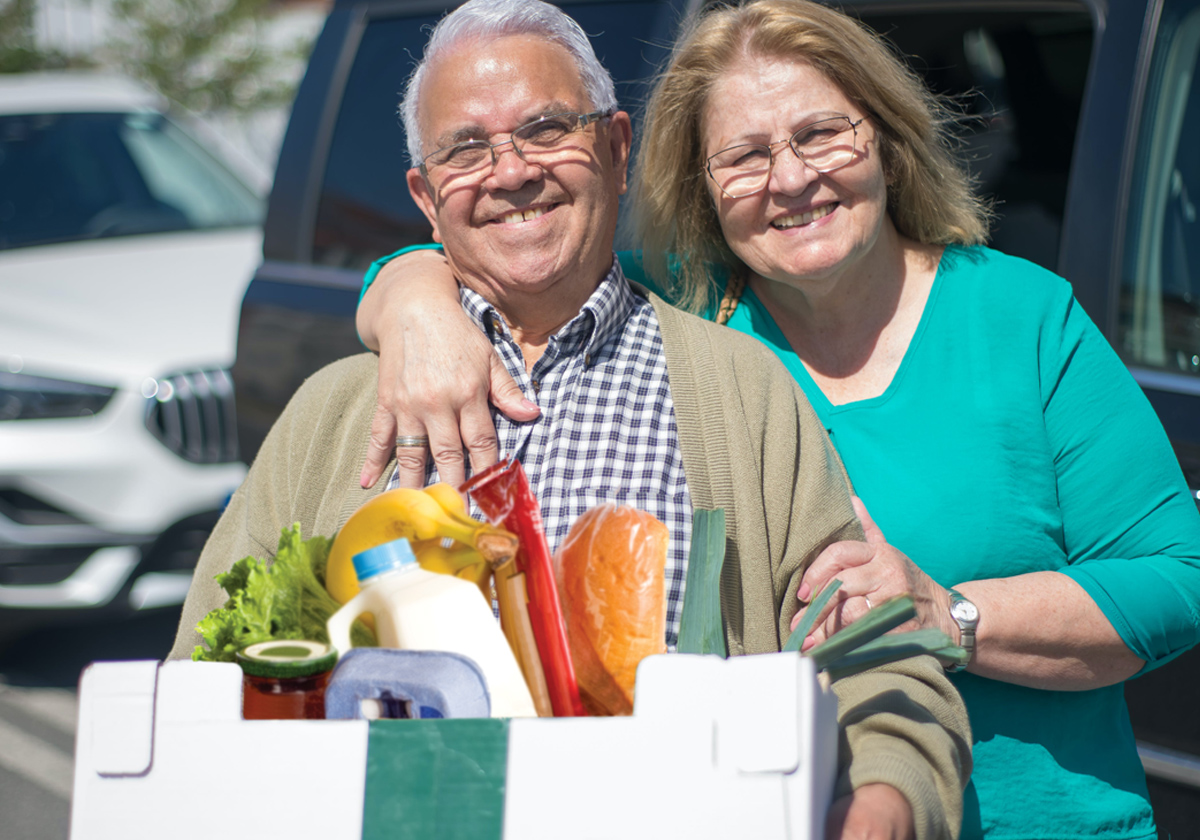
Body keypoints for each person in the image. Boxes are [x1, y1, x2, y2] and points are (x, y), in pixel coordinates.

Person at [354, 0, 1200, 838]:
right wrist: (414, 302)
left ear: (887, 139)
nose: (792, 179)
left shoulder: (1021, 319)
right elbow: (516, 238)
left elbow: (1177, 576)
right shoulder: (680, 312)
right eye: (746, 157)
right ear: (702, 187)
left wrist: (954, 614)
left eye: (821, 134)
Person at [169, 2, 972, 838]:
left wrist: (885, 798)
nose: (511, 171)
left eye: (548, 128)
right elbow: (202, 675)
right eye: (467, 148)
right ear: (425, 195)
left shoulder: (742, 389)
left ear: (618, 150)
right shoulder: (332, 414)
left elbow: (874, 659)